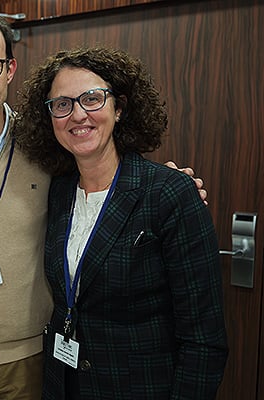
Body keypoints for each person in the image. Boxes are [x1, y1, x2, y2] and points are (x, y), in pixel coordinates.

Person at [0, 7, 208, 400]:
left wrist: (168, 186)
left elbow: (105, 173)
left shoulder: (47, 144)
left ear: (10, 69)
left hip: (32, 357)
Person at [14, 46, 228, 399]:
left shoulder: (169, 192)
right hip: (62, 384)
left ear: (119, 107)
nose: (78, 115)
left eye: (92, 99)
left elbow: (204, 340)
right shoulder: (58, 191)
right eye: (62, 104)